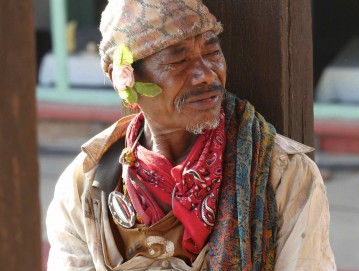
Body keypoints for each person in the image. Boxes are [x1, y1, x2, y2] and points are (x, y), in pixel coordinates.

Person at [46, 0, 336, 270]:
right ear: (123, 78)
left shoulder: (284, 176)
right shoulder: (84, 187)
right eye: (178, 61)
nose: (206, 74)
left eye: (212, 53)